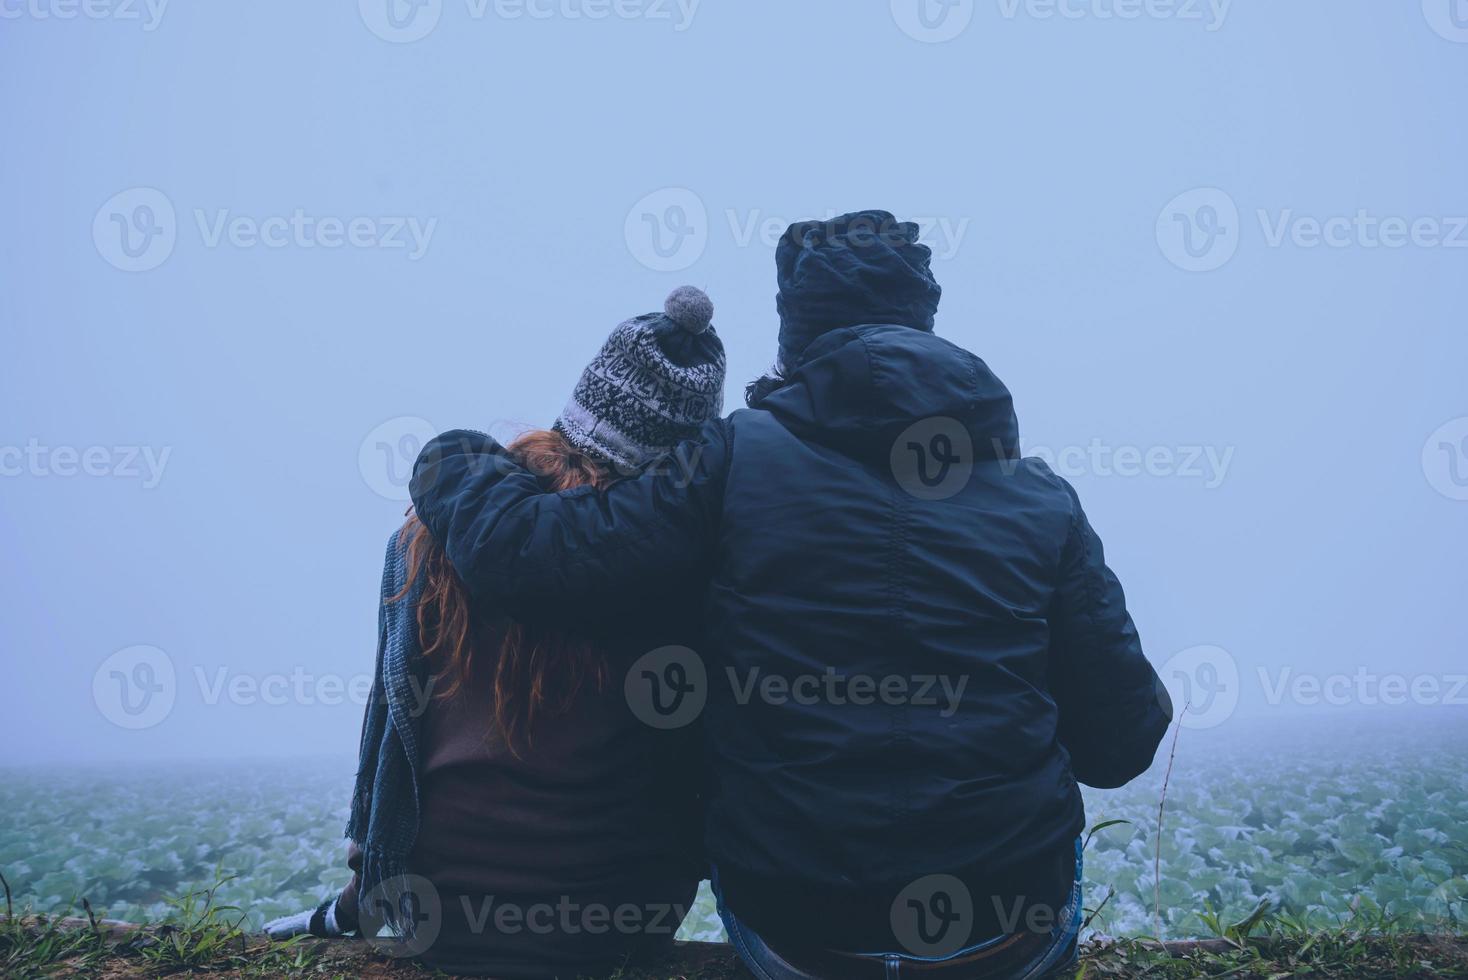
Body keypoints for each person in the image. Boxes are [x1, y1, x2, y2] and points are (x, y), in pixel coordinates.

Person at [408, 211, 1174, 979]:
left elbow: (534, 557)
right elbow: (1122, 742)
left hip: (800, 940)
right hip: (1009, 940)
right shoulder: (1042, 499)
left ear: (792, 335)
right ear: (928, 320)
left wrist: (451, 461)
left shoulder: (734, 458)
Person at [265, 287, 727, 979]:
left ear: (581, 406)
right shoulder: (694, 569)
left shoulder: (431, 536)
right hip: (615, 930)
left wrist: (362, 897)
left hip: (436, 922)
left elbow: (393, 731)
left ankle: (362, 899)